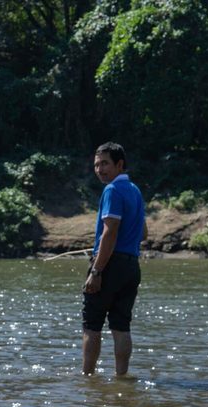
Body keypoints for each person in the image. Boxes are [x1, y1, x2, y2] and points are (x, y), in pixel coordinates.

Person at [83, 142, 147, 376]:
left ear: (120, 164)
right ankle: (121, 377)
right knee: (121, 326)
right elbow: (144, 233)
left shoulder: (112, 190)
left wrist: (96, 272)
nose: (100, 169)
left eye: (105, 164)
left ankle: (87, 378)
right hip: (131, 266)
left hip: (109, 265)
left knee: (92, 325)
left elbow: (110, 232)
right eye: (97, 165)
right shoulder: (135, 190)